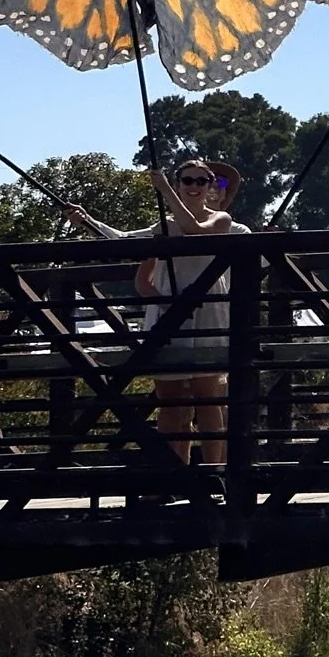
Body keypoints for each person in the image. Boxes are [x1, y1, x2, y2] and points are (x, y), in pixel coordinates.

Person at [64, 160, 248, 469]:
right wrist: (87, 222)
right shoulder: (163, 227)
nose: (194, 186)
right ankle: (172, 474)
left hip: (208, 318)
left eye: (201, 181)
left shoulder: (221, 219)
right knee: (171, 402)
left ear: (208, 187)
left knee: (208, 399)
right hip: (168, 318)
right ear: (179, 183)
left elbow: (195, 231)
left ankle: (213, 472)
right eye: (186, 180)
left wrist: (164, 190)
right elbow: (123, 241)